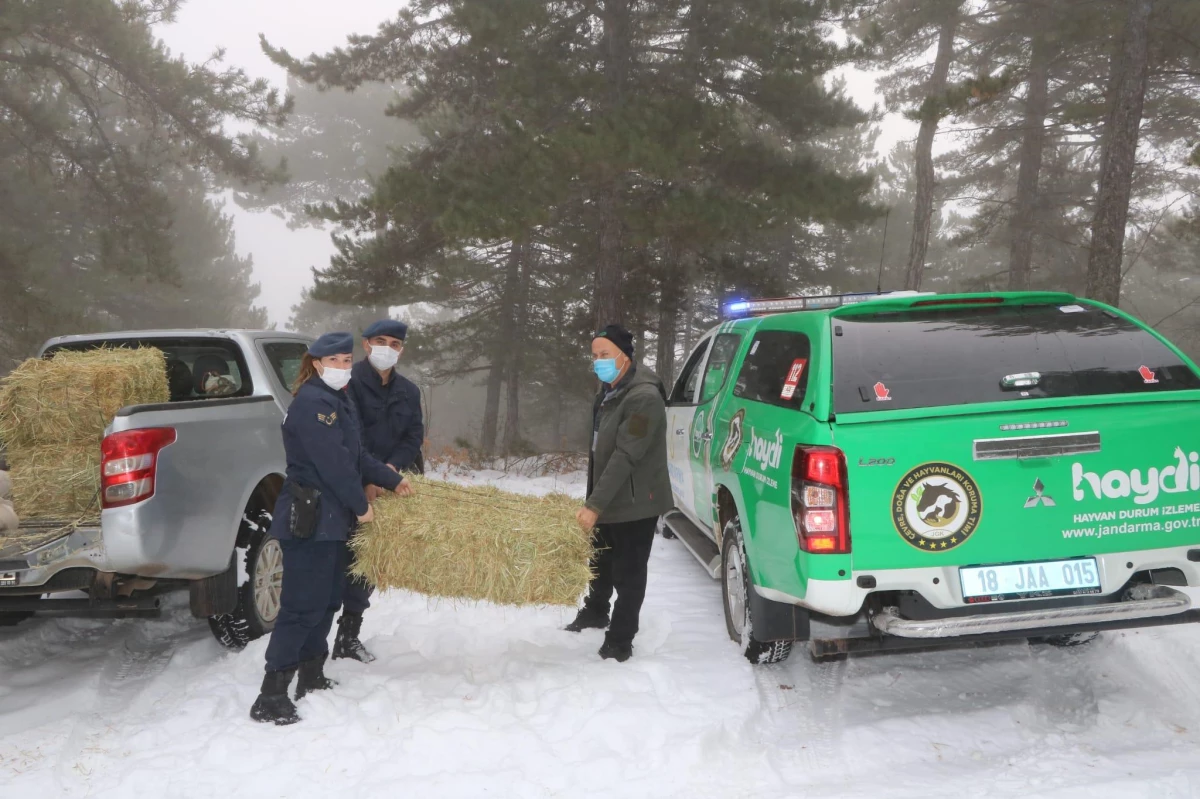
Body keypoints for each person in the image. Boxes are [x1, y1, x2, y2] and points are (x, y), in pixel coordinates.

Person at [250, 332, 415, 726]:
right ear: (317, 363)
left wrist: (393, 480)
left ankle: (311, 673)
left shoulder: (337, 399)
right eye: (335, 361)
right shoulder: (312, 403)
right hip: (310, 519)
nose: (343, 368)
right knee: (300, 607)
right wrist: (361, 506)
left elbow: (355, 455)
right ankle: (271, 694)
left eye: (346, 361)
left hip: (330, 521)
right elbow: (333, 465)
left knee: (326, 601)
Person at [565, 324, 672, 662]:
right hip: (609, 495)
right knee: (601, 559)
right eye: (595, 356)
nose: (599, 361)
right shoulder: (610, 391)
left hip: (636, 502)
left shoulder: (643, 398)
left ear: (625, 357)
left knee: (628, 571)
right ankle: (596, 611)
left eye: (605, 355)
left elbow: (628, 454)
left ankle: (621, 640)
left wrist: (595, 504)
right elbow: (602, 450)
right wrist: (594, 497)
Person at [337, 318, 426, 662]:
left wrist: (389, 472)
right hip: (350, 484)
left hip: (388, 486)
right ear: (366, 344)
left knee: (369, 563)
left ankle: (348, 636)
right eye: (380, 341)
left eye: (395, 343)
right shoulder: (348, 383)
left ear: (402, 350)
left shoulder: (409, 391)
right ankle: (314, 640)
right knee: (339, 560)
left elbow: (413, 437)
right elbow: (350, 436)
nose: (387, 348)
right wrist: (369, 477)